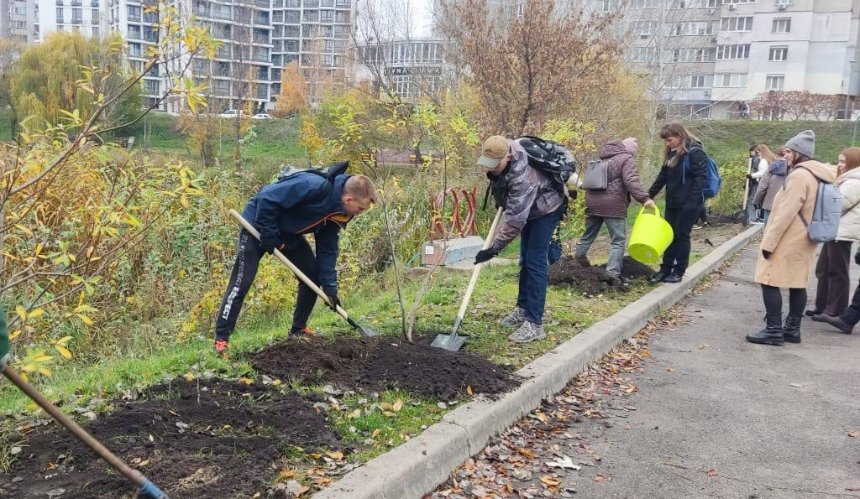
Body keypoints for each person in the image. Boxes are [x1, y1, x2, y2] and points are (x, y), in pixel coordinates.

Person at [213, 165, 378, 353]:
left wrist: (330, 288)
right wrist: (269, 236)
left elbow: (328, 249)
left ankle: (298, 329)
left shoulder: (338, 212)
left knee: (312, 275)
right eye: (361, 208)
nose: (361, 212)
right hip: (256, 224)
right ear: (348, 199)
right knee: (242, 282)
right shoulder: (312, 185)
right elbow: (266, 198)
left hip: (286, 234)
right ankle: (221, 339)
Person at [473, 135, 568, 343]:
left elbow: (515, 220)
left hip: (546, 209)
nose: (491, 169)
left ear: (508, 156)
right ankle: (522, 309)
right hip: (530, 209)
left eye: (495, 164)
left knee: (535, 262)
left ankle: (534, 324)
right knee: (525, 259)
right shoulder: (503, 152)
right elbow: (511, 207)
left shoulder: (523, 176)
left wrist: (493, 249)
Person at [746, 130, 836, 346]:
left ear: (798, 153)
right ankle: (792, 329)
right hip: (806, 237)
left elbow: (785, 213)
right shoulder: (817, 174)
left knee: (767, 279)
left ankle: (773, 330)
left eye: (788, 151)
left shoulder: (798, 176)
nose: (784, 155)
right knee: (797, 283)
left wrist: (769, 243)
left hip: (789, 237)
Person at [574, 137, 655, 284]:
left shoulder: (599, 159)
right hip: (613, 204)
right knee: (617, 241)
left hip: (592, 202)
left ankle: (578, 260)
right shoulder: (626, 159)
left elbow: (588, 183)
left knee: (587, 235)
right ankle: (612, 274)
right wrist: (645, 199)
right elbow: (631, 181)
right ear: (629, 150)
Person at [647, 122, 709, 283]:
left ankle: (679, 270)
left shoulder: (695, 153)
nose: (667, 144)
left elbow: (701, 179)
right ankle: (665, 268)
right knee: (669, 235)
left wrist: (692, 202)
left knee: (682, 236)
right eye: (665, 141)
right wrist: (649, 195)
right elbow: (663, 176)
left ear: (680, 137)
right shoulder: (671, 153)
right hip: (673, 202)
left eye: (669, 140)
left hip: (689, 204)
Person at [809, 147, 860, 329]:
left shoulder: (855, 180)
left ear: (853, 162)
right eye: (839, 160)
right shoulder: (847, 178)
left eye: (843, 161)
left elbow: (840, 203)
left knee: (837, 271)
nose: (839, 165)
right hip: (836, 229)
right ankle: (822, 306)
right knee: (824, 268)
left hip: (842, 231)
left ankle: (836, 309)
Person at [752, 147, 788, 224]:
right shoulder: (793, 169)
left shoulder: (770, 169)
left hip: (770, 204)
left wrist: (756, 201)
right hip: (786, 205)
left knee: (769, 229)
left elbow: (762, 187)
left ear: (777, 156)